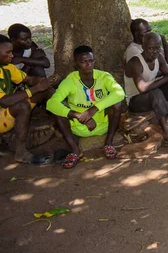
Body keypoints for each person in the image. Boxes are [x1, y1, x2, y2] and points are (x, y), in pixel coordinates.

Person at [47, 46, 125, 169]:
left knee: (117, 103)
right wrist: (78, 115)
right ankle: (75, 150)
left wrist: (92, 110)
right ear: (75, 63)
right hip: (79, 126)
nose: (88, 65)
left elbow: (120, 93)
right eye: (83, 62)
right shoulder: (70, 81)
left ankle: (108, 143)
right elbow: (51, 104)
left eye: (90, 61)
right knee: (58, 111)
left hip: (103, 124)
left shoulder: (104, 77)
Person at [0, 34, 56, 164]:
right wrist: (36, 88)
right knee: (22, 106)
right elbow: (4, 101)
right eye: (8, 52)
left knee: (46, 90)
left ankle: (59, 128)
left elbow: (29, 79)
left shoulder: (8, 68)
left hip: (5, 113)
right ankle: (20, 152)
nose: (12, 56)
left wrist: (45, 81)